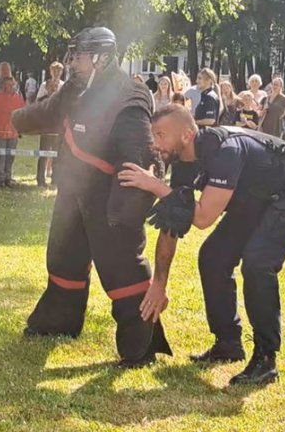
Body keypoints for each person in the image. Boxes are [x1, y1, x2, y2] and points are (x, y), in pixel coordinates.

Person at [118, 104, 285, 385]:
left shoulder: (226, 151)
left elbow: (202, 217)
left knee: (258, 263)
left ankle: (266, 360)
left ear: (187, 135)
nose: (155, 143)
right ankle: (228, 344)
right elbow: (172, 221)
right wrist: (159, 283)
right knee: (213, 257)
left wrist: (155, 186)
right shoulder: (181, 165)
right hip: (255, 195)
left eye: (161, 134)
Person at [11, 26, 171, 367]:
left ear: (101, 56)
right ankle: (58, 322)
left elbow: (140, 155)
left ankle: (140, 346)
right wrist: (16, 120)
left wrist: (125, 213)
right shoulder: (76, 89)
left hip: (110, 200)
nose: (73, 62)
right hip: (72, 194)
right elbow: (50, 111)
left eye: (80, 55)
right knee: (63, 259)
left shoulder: (131, 95)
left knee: (122, 269)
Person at [0, 77, 24, 187]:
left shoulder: (19, 98)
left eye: (11, 85)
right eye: (6, 85)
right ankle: (0, 179)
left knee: (10, 156)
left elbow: (22, 115)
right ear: (3, 86)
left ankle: (8, 178)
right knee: (0, 156)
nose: (9, 87)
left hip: (13, 132)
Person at [34, 62, 64, 188]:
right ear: (50, 71)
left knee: (57, 153)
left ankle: (55, 179)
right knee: (44, 152)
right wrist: (48, 93)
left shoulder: (63, 85)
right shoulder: (44, 85)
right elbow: (38, 102)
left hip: (58, 124)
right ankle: (40, 179)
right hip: (46, 123)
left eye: (59, 71)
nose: (56, 73)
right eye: (54, 70)